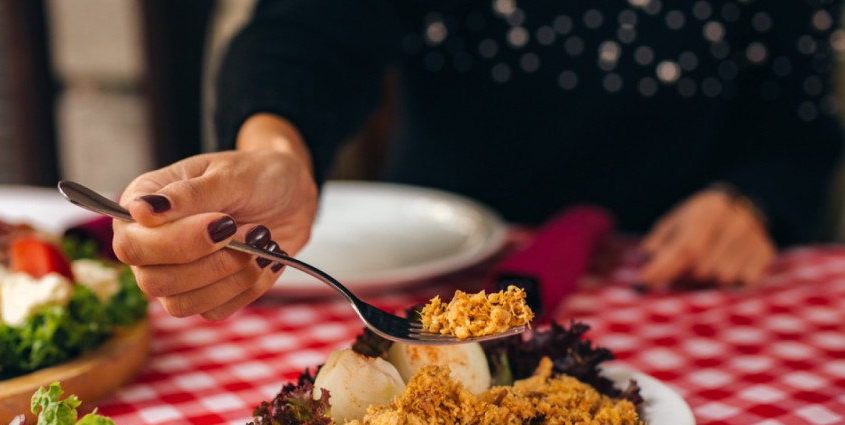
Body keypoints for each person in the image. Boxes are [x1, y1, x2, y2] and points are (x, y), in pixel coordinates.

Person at [112, 0, 844, 321]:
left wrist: (753, 197)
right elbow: (308, 31)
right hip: (437, 276)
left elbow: (799, 123)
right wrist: (278, 157)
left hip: (676, 274)